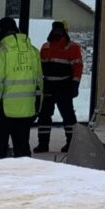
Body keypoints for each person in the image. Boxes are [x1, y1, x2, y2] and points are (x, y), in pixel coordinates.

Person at [0, 17, 41, 159]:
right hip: (27, 109)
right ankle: (25, 173)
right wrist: (37, 107)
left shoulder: (0, 51)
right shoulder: (33, 51)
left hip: (4, 110)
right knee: (22, 151)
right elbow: (39, 83)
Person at [37, 21, 84, 153]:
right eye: (55, 29)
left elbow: (77, 67)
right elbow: (39, 68)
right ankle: (43, 144)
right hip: (48, 86)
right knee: (44, 116)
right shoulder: (45, 47)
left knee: (68, 116)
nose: (57, 32)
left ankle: (71, 144)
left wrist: (75, 84)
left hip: (64, 87)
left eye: (59, 30)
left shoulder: (72, 47)